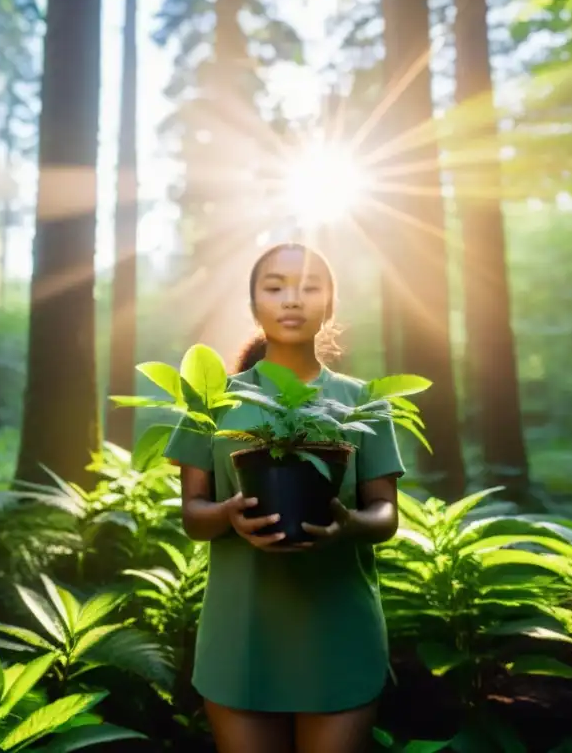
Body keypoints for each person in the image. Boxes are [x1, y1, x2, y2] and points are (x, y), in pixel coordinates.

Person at [164, 242, 405, 753]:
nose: (291, 299)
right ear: (253, 305)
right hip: (241, 633)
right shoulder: (212, 404)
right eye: (274, 288)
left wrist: (348, 525)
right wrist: (229, 515)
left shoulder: (364, 403)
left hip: (339, 630)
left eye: (309, 287)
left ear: (330, 304)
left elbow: (385, 514)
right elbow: (193, 514)